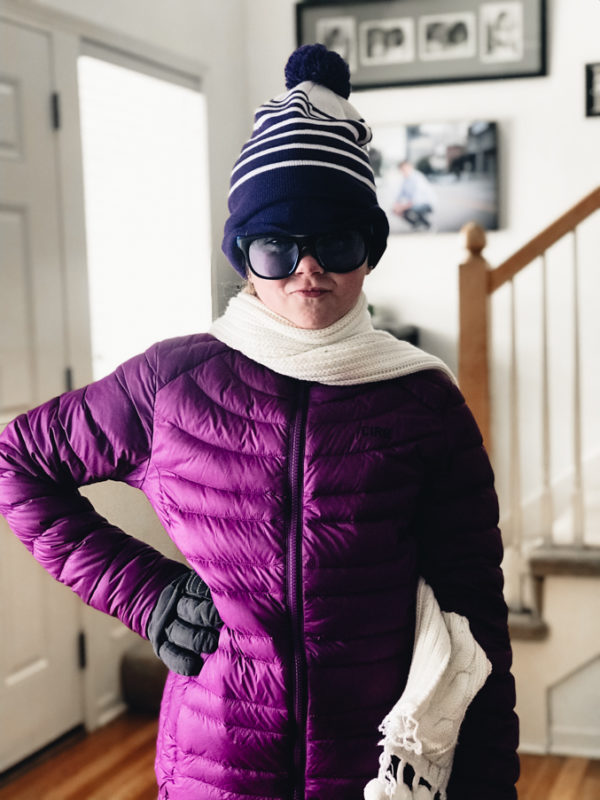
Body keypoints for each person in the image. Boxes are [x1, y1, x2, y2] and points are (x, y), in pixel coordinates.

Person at [0, 44, 519, 799]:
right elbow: (19, 459)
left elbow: (474, 623)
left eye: (336, 243)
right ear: (245, 258)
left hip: (377, 769)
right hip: (214, 771)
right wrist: (144, 595)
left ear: (368, 253)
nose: (308, 270)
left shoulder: (424, 403)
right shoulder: (172, 381)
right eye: (278, 246)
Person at [392, 160, 437, 231]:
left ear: (410, 167)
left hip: (426, 204)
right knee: (395, 210)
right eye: (401, 170)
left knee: (413, 209)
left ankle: (428, 225)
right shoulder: (405, 180)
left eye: (404, 169)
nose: (403, 171)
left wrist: (402, 207)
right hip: (414, 204)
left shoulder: (418, 178)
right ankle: (416, 225)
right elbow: (400, 196)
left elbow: (416, 200)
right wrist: (396, 206)